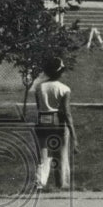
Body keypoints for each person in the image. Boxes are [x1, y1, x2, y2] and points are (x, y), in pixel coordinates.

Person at [33, 58, 77, 191]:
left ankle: (40, 182)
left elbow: (38, 106)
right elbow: (67, 112)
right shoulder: (64, 89)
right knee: (61, 153)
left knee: (43, 154)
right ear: (60, 72)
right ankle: (62, 182)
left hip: (42, 121)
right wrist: (74, 134)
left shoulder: (39, 87)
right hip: (58, 122)